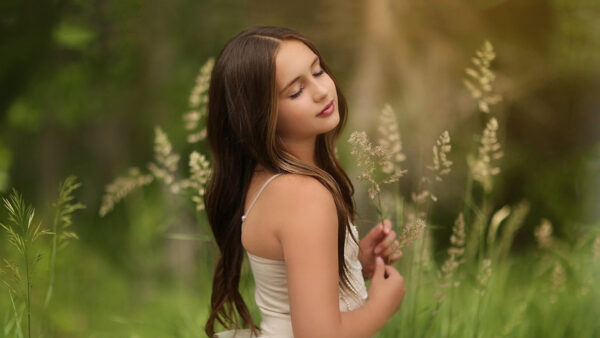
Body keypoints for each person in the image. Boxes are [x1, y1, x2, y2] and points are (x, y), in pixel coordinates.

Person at [204, 25, 406, 338]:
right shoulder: (305, 195)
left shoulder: (265, 180)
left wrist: (353, 263)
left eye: (318, 70)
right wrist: (381, 305)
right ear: (261, 114)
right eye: (296, 90)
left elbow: (291, 283)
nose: (323, 90)